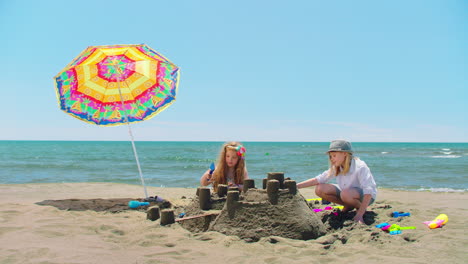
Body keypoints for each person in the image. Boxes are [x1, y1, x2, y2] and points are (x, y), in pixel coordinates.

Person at [297, 140, 377, 224]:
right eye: (330, 156)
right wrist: (296, 186)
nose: (332, 159)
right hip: (347, 194)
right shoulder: (337, 167)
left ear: (345, 154)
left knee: (345, 194)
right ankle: (349, 205)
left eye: (334, 156)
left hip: (365, 197)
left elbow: (368, 191)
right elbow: (318, 179)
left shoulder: (360, 166)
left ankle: (360, 208)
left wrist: (360, 215)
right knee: (320, 188)